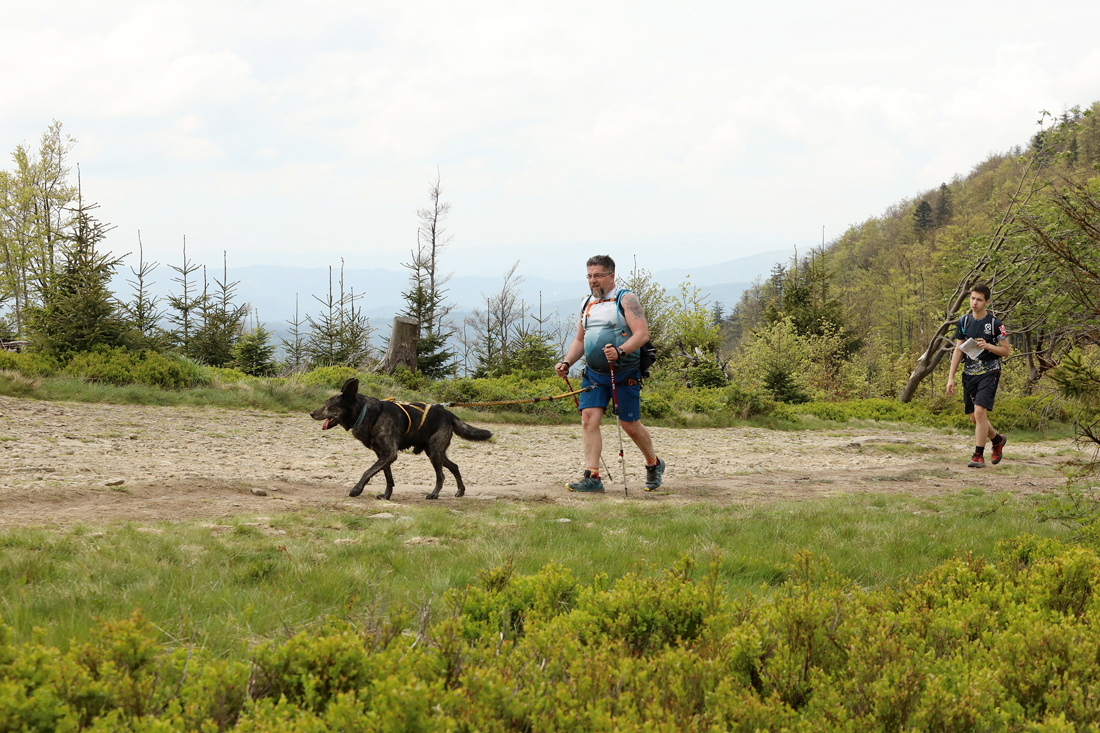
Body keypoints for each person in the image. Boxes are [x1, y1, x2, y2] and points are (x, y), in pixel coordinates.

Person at [554, 255, 665, 492]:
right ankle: (593, 477)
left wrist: (620, 351)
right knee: (588, 419)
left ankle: (653, 464)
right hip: (594, 374)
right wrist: (567, 362)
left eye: (598, 275)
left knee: (629, 424)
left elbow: (641, 334)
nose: (592, 280)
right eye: (589, 276)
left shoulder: (626, 299)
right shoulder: (587, 303)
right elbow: (580, 340)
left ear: (611, 276)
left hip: (624, 373)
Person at [946, 283, 1010, 468]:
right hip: (969, 373)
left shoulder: (996, 324)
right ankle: (997, 440)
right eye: (972, 298)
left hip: (990, 371)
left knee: (980, 411)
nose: (974, 302)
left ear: (987, 302)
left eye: (979, 300)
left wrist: (988, 346)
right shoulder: (964, 321)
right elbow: (958, 350)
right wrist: (951, 377)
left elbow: (1006, 351)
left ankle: (978, 455)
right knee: (975, 418)